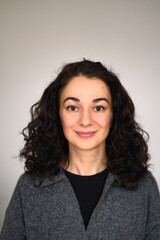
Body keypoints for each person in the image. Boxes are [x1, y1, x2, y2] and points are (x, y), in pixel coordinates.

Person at [0, 60, 160, 240]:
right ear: (57, 114)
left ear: (113, 114)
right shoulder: (29, 187)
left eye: (98, 108)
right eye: (73, 108)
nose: (85, 120)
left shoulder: (143, 186)